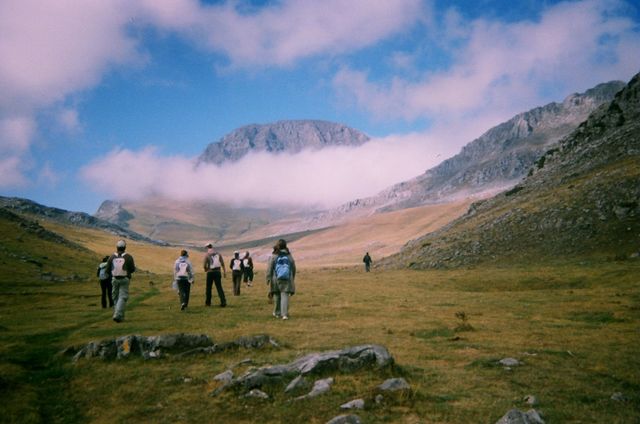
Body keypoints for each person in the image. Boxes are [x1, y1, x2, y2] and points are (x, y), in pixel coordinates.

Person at [106, 240, 136, 323]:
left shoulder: (111, 257)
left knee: (115, 297)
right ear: (125, 247)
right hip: (125, 279)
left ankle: (118, 314)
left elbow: (107, 270)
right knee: (123, 297)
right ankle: (118, 315)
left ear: (117, 247)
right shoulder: (129, 257)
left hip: (114, 279)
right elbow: (132, 269)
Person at [266, 239, 296, 320]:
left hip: (275, 279)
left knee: (276, 295)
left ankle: (277, 313)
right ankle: (284, 314)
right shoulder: (289, 256)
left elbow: (269, 268)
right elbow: (293, 267)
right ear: (285, 246)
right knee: (285, 295)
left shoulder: (274, 256)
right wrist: (292, 277)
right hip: (286, 278)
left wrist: (268, 278)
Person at [203, 243, 226, 307]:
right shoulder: (218, 254)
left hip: (210, 272)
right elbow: (222, 263)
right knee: (219, 287)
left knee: (208, 288)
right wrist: (224, 272)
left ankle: (208, 303)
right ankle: (223, 301)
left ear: (207, 248)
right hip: (218, 272)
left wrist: (206, 269)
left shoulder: (207, 254)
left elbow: (204, 265)